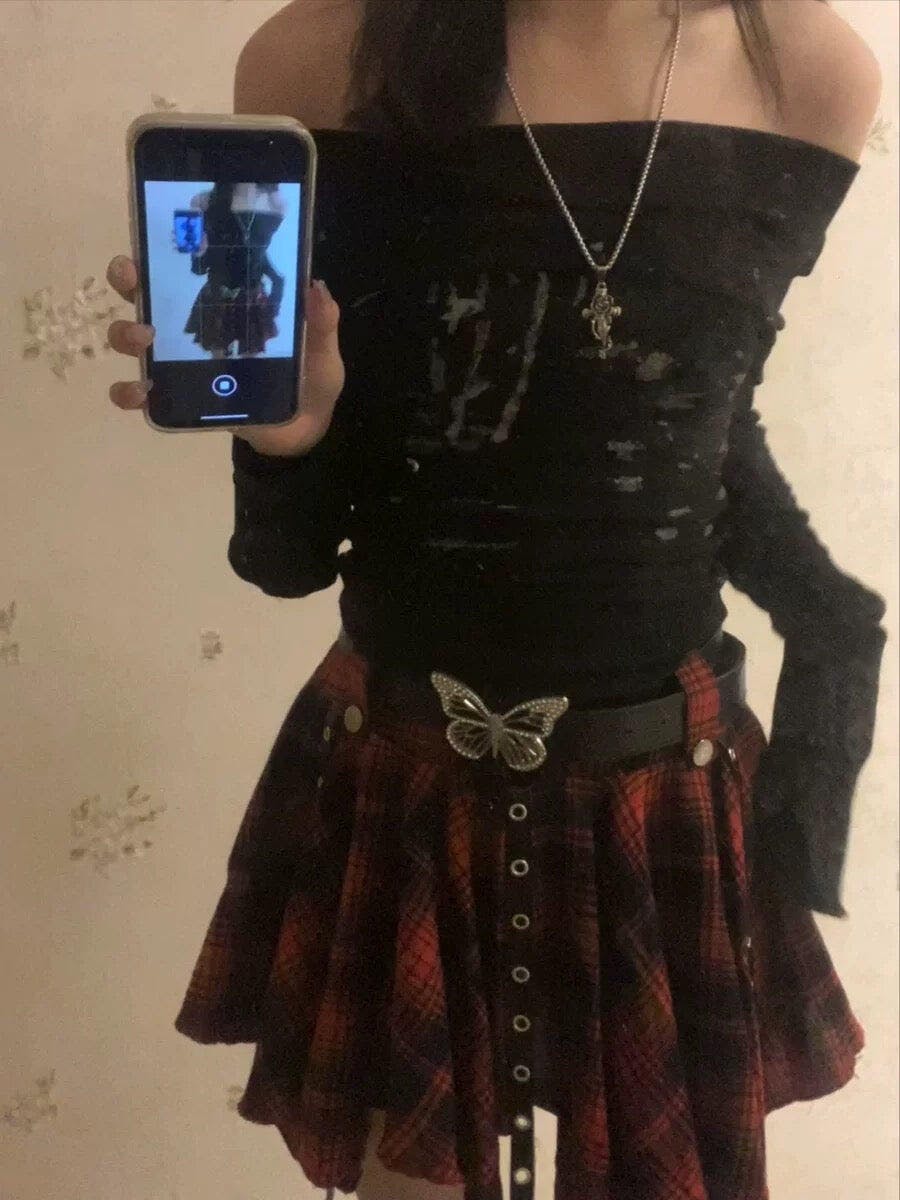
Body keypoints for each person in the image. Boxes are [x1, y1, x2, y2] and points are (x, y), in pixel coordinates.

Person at [105, 2, 889, 1198]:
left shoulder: (814, 73)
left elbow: (704, 422)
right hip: (409, 778)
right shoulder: (317, 58)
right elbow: (288, 560)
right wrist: (285, 439)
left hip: (665, 786)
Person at [183, 181, 286, 357]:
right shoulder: (205, 204)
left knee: (244, 356)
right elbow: (199, 268)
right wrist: (197, 250)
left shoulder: (272, 205)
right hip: (221, 294)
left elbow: (269, 267)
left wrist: (273, 307)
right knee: (224, 355)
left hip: (241, 296)